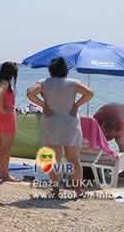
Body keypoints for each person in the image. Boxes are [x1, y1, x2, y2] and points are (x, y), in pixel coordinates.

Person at [27, 57, 94, 198]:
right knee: (74, 160)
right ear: (65, 69)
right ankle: (79, 190)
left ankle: (56, 190)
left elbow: (30, 93)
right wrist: (76, 105)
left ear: (50, 69)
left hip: (51, 123)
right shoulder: (73, 83)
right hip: (69, 122)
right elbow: (90, 93)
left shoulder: (44, 82)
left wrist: (43, 105)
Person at [94, 104, 124, 177]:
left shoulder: (121, 123)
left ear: (115, 130)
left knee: (120, 141)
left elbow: (117, 134)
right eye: (104, 132)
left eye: (109, 134)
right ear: (101, 125)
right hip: (110, 110)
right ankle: (102, 162)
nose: (106, 136)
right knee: (99, 139)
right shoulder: (96, 119)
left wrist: (107, 138)